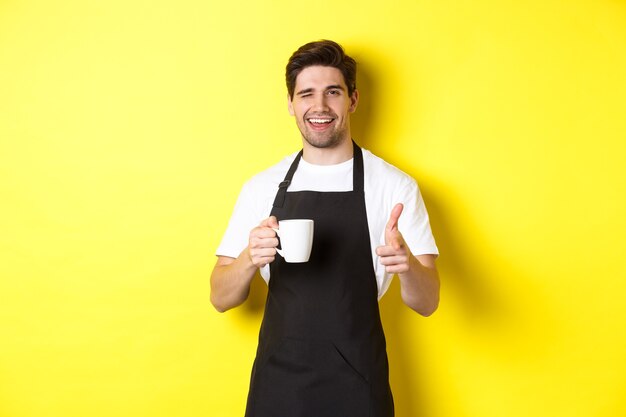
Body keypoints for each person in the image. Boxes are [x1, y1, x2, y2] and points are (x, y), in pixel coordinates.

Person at [210, 40, 440, 417]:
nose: (319, 107)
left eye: (333, 92)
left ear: (352, 100)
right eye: (307, 94)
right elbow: (221, 297)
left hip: (358, 388)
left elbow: (427, 302)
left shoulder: (394, 187)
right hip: (278, 387)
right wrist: (250, 257)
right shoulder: (262, 187)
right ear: (291, 104)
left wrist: (408, 265)